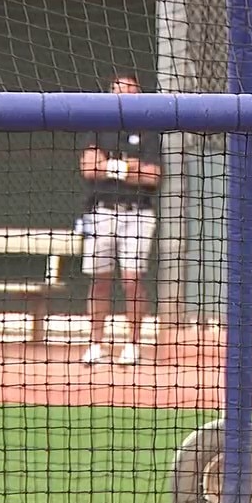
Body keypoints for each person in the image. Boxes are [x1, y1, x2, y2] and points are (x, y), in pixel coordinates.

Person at [78, 73, 161, 367]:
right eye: (117, 90)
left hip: (137, 213)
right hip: (101, 212)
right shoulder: (99, 126)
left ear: (138, 95)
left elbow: (152, 176)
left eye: (128, 90)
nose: (122, 95)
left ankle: (133, 345)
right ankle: (95, 344)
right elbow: (89, 168)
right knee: (99, 279)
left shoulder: (148, 131)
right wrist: (128, 167)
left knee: (131, 279)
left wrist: (110, 165)